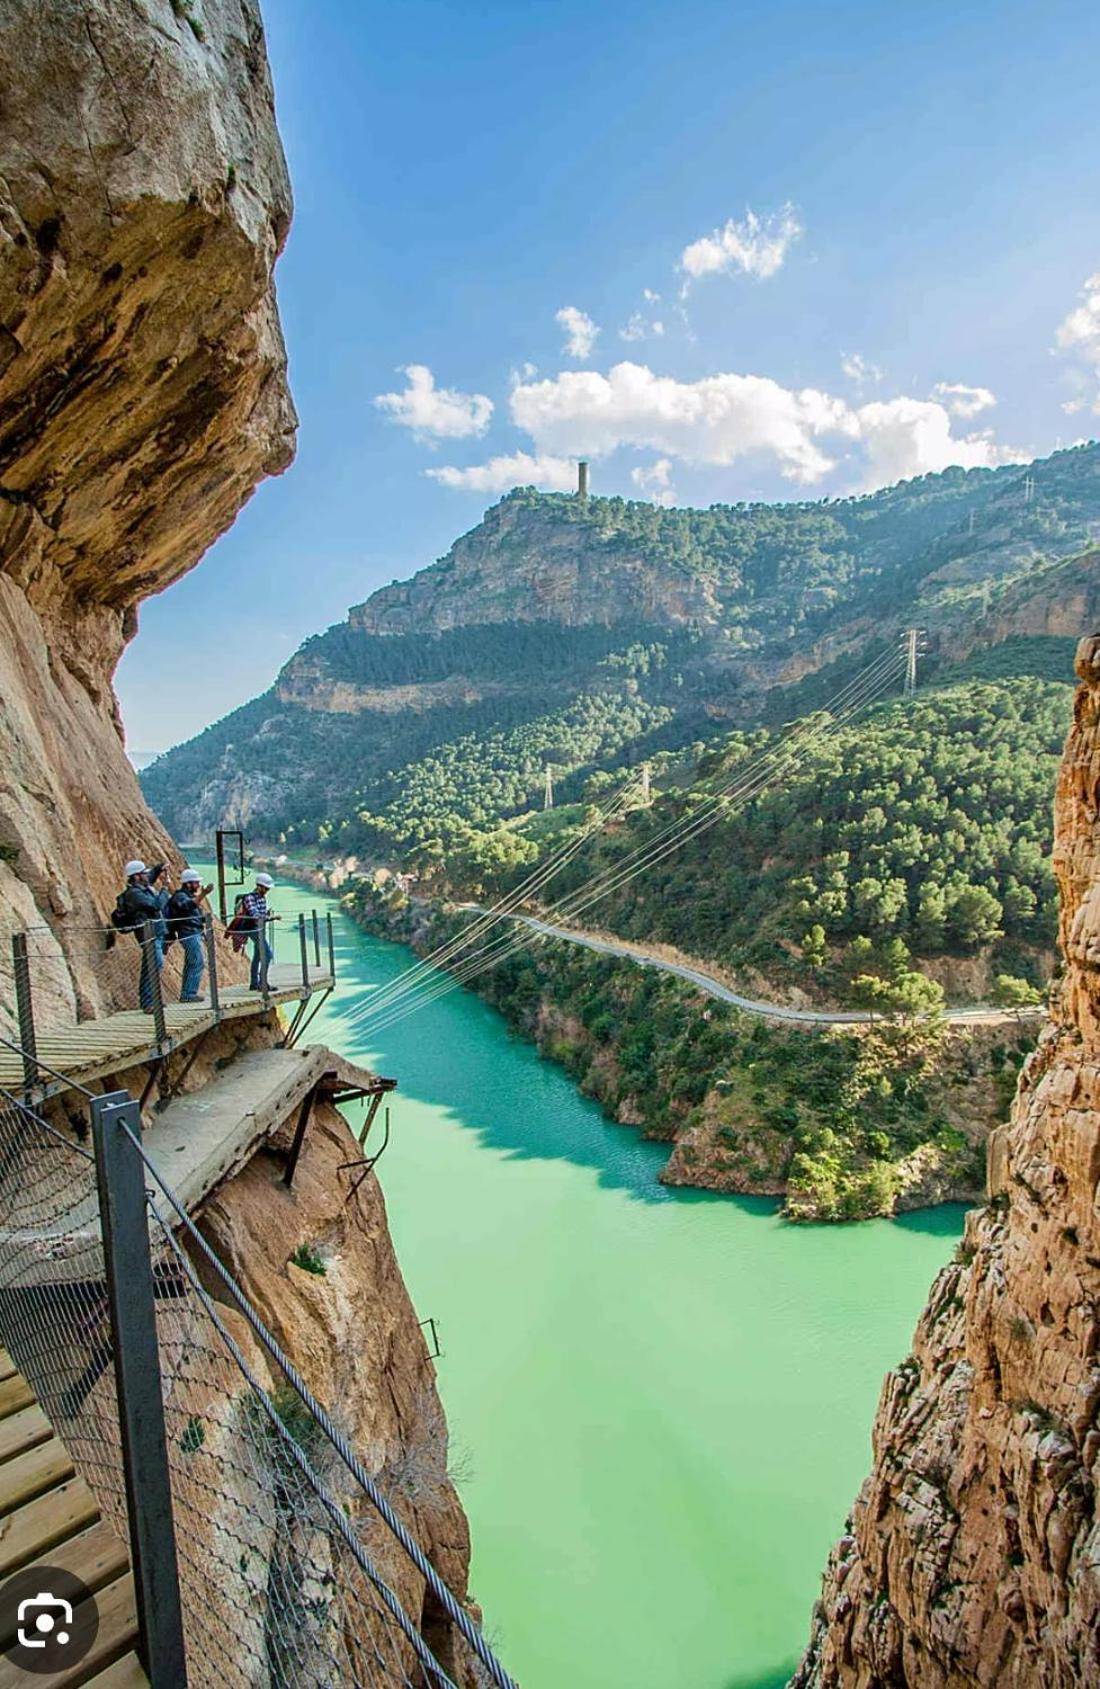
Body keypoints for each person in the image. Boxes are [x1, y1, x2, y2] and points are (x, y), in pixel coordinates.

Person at [111, 859, 169, 1011]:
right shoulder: (135, 894)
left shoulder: (139, 888)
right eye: (143, 873)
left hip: (154, 932)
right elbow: (156, 905)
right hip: (148, 933)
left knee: (152, 965)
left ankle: (150, 1001)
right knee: (154, 965)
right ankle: (148, 1002)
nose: (146, 875)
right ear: (136, 876)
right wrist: (164, 888)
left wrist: (159, 867)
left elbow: (150, 878)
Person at [164, 869, 214, 1002]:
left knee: (191, 963)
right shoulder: (180, 897)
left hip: (193, 932)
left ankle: (187, 993)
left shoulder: (185, 896)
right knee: (197, 962)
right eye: (196, 883)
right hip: (188, 933)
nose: (198, 885)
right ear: (188, 884)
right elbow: (187, 907)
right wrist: (203, 894)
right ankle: (189, 994)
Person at [239, 872, 276, 990]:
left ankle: (254, 983)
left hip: (260, 928)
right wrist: (270, 918)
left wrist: (266, 915)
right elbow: (255, 915)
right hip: (253, 929)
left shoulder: (262, 898)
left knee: (258, 956)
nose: (267, 890)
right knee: (267, 954)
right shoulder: (249, 898)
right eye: (265, 888)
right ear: (259, 886)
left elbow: (261, 914)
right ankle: (262, 983)